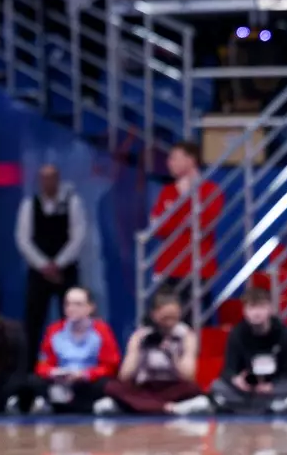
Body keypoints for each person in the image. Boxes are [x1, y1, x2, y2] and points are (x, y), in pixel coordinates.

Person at [15, 162, 88, 364]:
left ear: (58, 179)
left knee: (72, 317)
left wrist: (59, 263)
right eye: (43, 178)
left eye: (51, 178)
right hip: (38, 272)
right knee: (33, 320)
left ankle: (73, 360)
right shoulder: (29, 204)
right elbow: (23, 239)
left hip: (66, 270)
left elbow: (78, 236)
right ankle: (29, 366)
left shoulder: (73, 202)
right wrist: (43, 265)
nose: (47, 183)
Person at [98, 289, 208, 415]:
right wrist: (137, 350)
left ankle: (139, 407)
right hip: (146, 388)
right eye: (165, 318)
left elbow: (189, 376)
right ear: (154, 314)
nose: (169, 323)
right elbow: (124, 376)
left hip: (174, 387)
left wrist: (172, 355)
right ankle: (168, 408)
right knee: (112, 387)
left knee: (194, 391)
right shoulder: (140, 336)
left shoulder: (186, 335)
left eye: (174, 318)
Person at [16, 286, 120, 414]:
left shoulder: (102, 330)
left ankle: (68, 404)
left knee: (108, 384)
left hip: (86, 382)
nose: (72, 308)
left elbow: (110, 366)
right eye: (68, 304)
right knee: (32, 381)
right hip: (60, 380)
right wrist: (54, 373)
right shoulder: (54, 330)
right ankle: (55, 403)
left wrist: (85, 375)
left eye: (78, 304)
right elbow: (42, 365)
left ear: (90, 307)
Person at [209, 286, 287, 415]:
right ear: (244, 311)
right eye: (252, 307)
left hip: (274, 387)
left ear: (270, 308)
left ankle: (266, 406)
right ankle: (261, 407)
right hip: (246, 390)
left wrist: (271, 386)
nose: (256, 313)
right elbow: (228, 368)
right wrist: (237, 380)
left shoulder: (285, 334)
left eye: (261, 307)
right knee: (217, 386)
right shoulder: (237, 334)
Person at [150, 141, 221, 306]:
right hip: (168, 267)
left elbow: (204, 223)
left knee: (195, 321)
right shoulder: (167, 191)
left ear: (191, 160)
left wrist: (175, 209)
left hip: (198, 268)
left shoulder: (210, 190)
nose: (169, 163)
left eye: (174, 158)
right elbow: (159, 228)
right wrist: (185, 217)